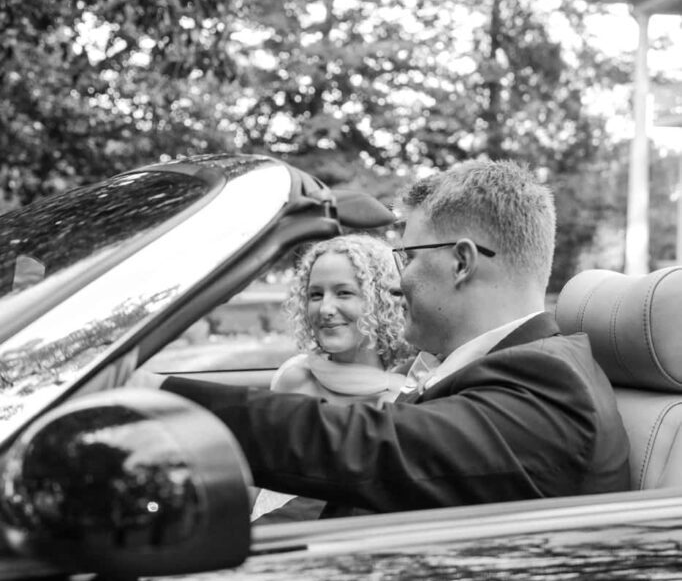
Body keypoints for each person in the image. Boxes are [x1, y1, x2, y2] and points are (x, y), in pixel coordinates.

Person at [159, 159, 630, 513]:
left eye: (406, 258)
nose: (391, 282)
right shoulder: (490, 366)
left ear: (461, 263)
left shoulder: (550, 385)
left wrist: (161, 405)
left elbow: (369, 449)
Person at [252, 233, 411, 521]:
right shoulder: (293, 377)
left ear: (381, 300)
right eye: (315, 295)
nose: (325, 309)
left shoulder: (402, 396)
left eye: (343, 293)